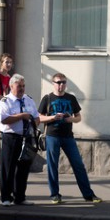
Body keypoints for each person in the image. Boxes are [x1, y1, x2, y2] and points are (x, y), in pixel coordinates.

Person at [38, 73, 102, 204]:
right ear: (53, 84)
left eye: (63, 82)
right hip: (52, 136)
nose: (61, 85)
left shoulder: (71, 98)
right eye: (58, 82)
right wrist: (52, 118)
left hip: (68, 137)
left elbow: (78, 117)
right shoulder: (47, 98)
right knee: (52, 166)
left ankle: (88, 195)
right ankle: (55, 195)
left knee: (78, 165)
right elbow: (39, 118)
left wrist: (70, 119)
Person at [0, 73, 39, 206]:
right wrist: (21, 116)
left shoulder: (28, 99)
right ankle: (6, 197)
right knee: (8, 168)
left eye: (23, 86)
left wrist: (33, 123)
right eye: (18, 86)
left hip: (26, 138)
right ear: (11, 87)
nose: (22, 89)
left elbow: (36, 117)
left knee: (23, 168)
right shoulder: (5, 101)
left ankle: (20, 197)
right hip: (11, 137)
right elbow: (4, 119)